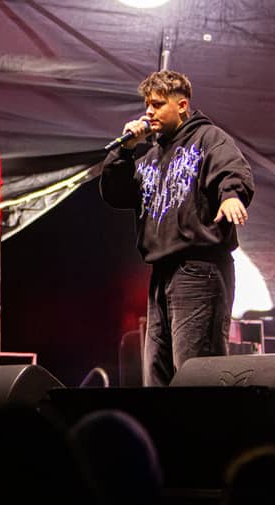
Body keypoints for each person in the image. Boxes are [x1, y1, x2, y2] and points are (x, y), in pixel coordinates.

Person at [101, 70, 254, 386]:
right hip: (162, 272)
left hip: (199, 269)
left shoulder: (208, 138)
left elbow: (231, 169)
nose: (149, 112)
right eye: (147, 104)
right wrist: (124, 151)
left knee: (195, 373)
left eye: (157, 104)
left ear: (182, 105)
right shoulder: (151, 156)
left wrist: (230, 195)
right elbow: (116, 193)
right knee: (157, 373)